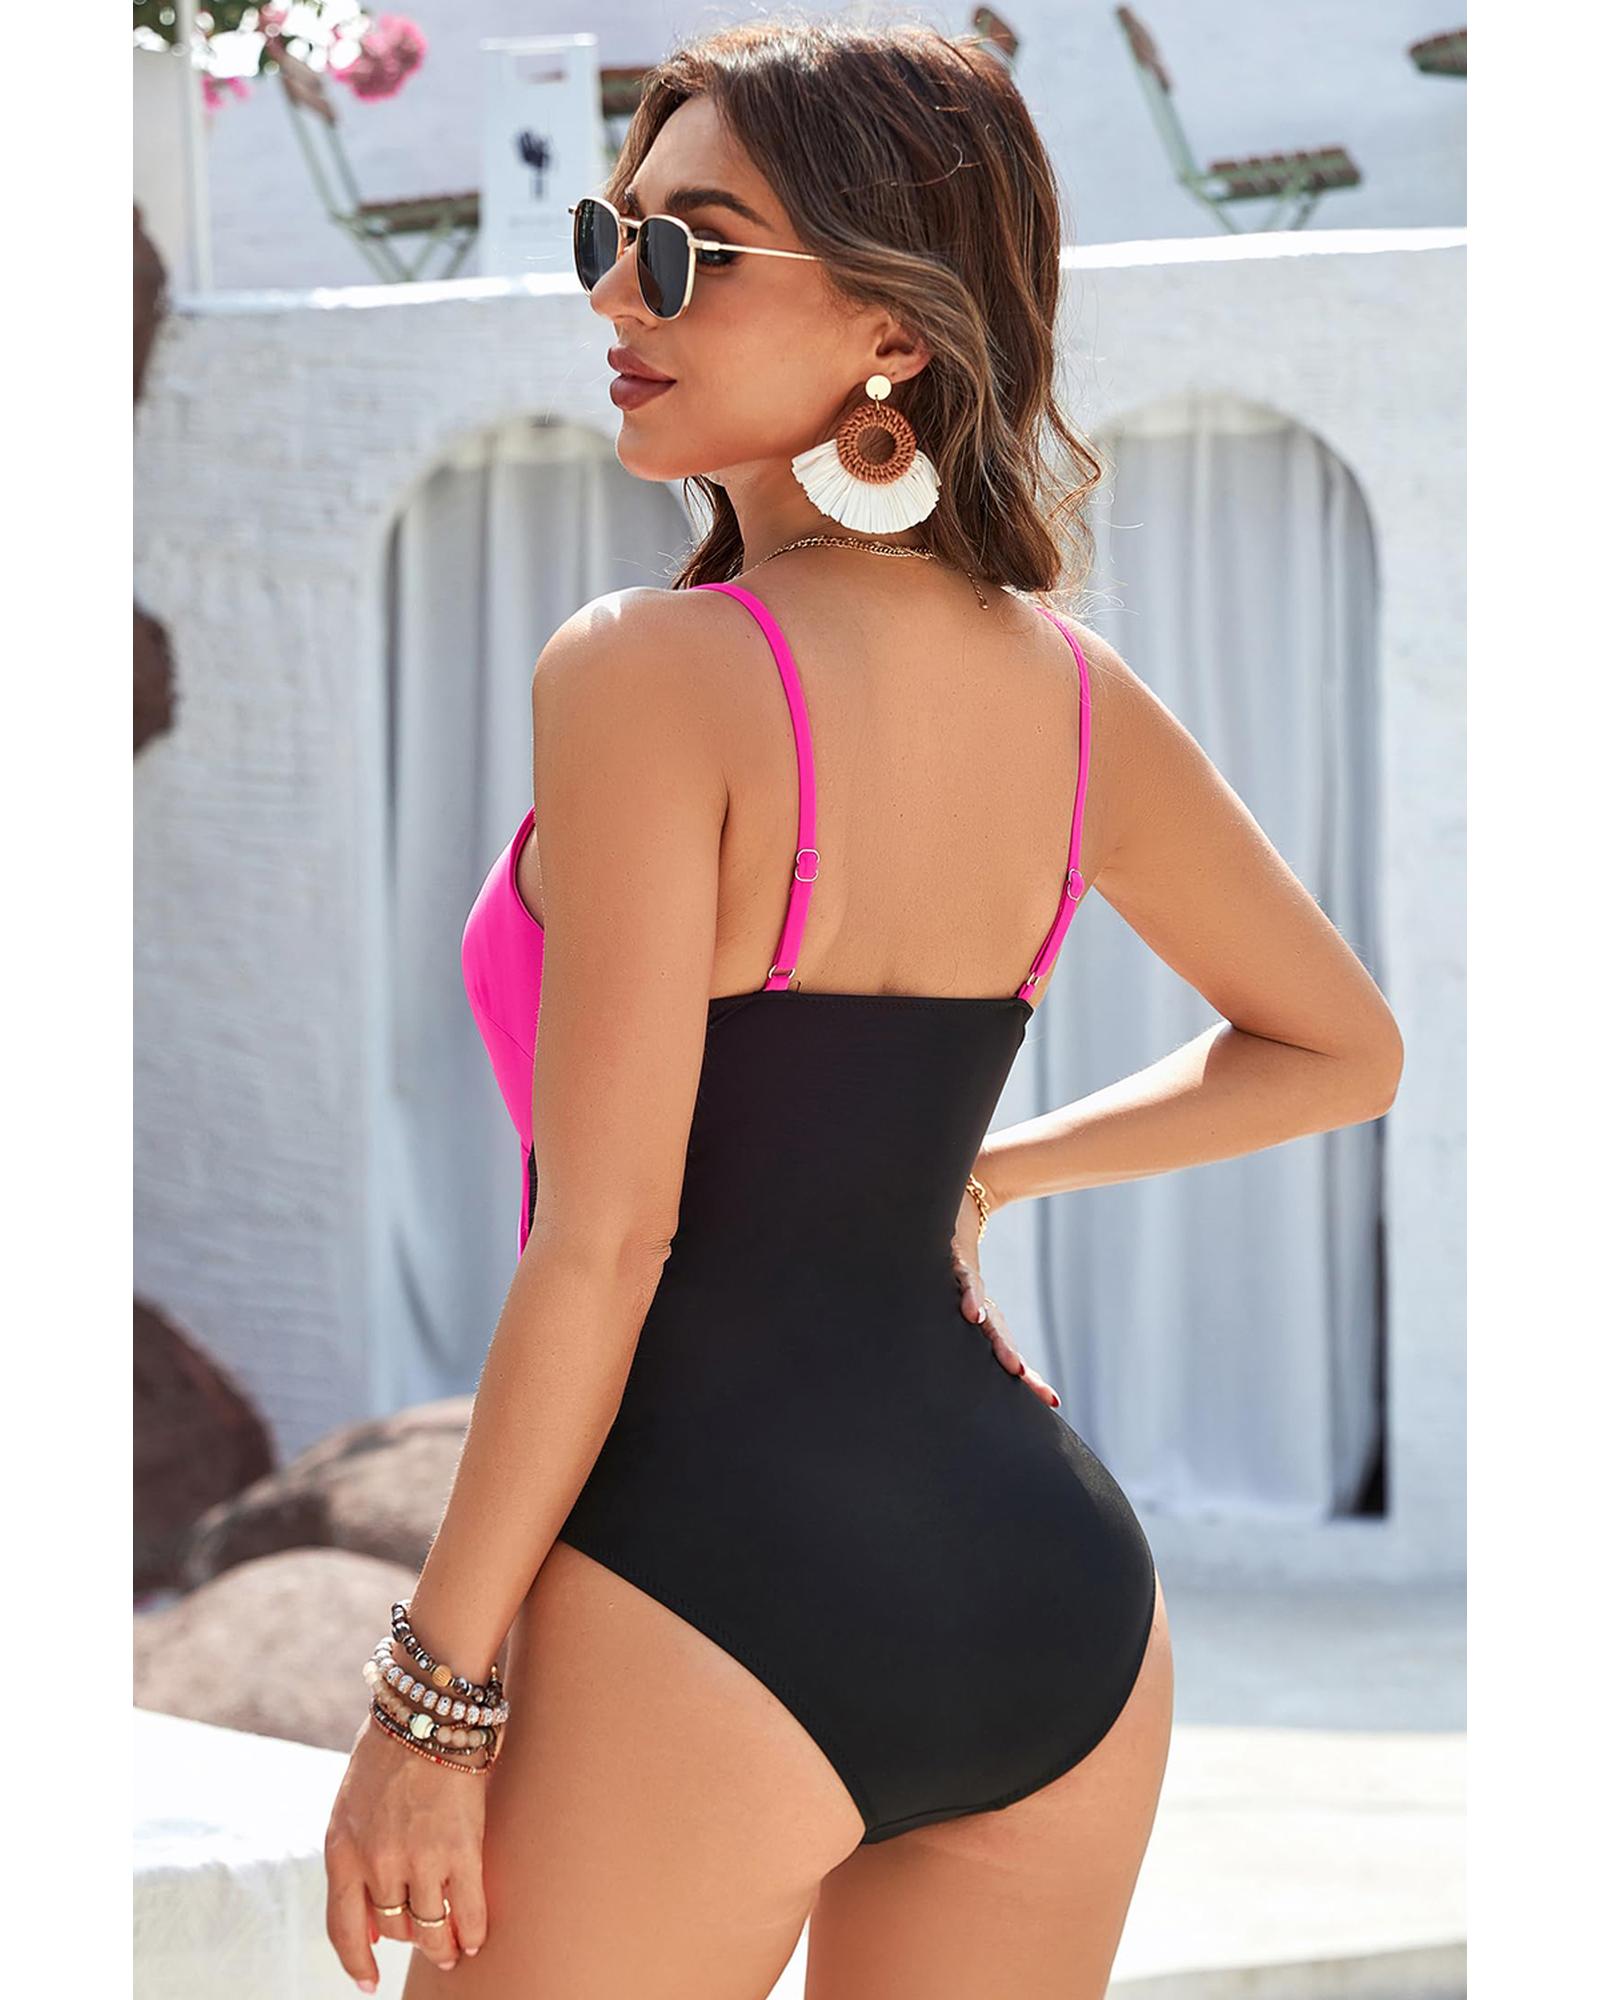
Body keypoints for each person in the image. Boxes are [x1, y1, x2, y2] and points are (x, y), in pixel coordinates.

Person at [322, 17, 1404, 1998]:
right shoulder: (1074, 693)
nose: (616, 295)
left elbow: (607, 1241)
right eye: (607, 232)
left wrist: (431, 1699)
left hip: (702, 1582)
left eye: (689, 249)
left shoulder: (642, 671)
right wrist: (985, 1176)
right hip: (1053, 1607)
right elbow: (1341, 1045)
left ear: (896, 326)